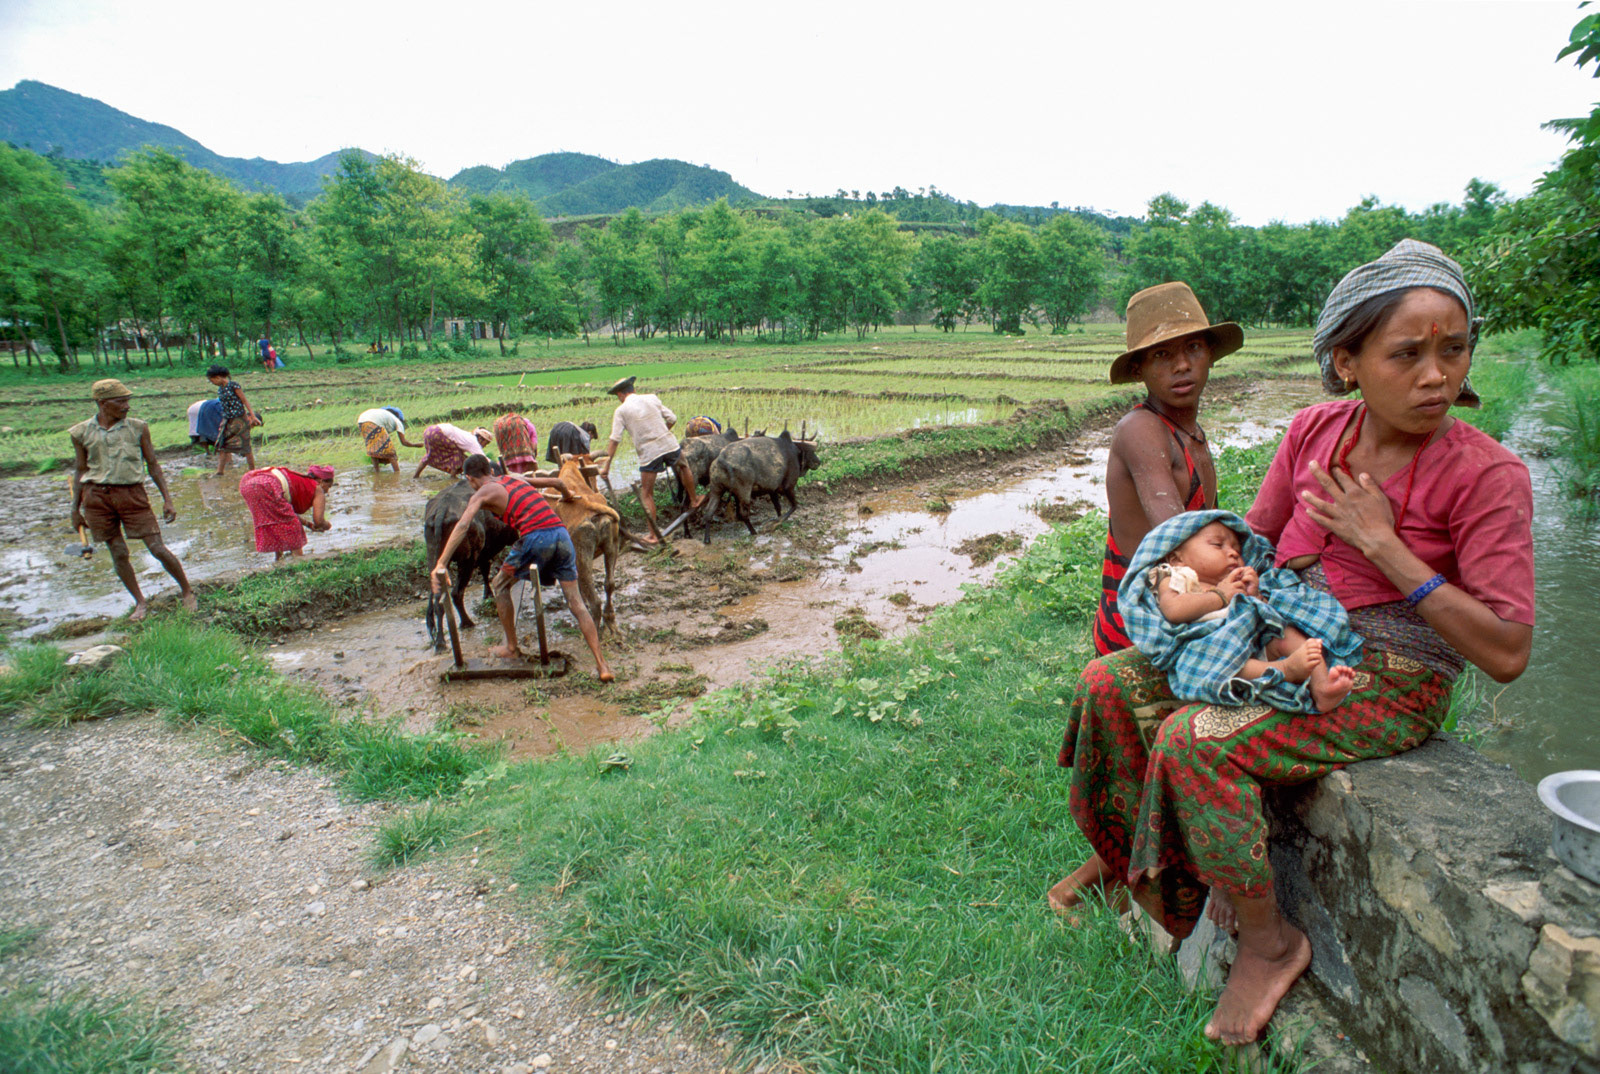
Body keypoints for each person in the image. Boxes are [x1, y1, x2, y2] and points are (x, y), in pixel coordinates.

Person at [1048, 240, 1534, 1046]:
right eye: (1407, 353)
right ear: (1346, 361)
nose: (1437, 375)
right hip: (1276, 644)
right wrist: (1211, 601)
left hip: (1387, 674)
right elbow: (1257, 541)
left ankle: (1270, 941)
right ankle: (1144, 872)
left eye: (1455, 350)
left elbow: (1507, 654)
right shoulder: (1314, 432)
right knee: (1108, 680)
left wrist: (1386, 549)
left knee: (1196, 741)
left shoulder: (1486, 475)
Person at [1093, 283, 1243, 656]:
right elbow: (1177, 537)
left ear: (1209, 353)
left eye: (1193, 347)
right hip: (1145, 618)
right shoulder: (1141, 429)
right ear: (1139, 368)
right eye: (1162, 354)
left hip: (1186, 599)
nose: (1181, 365)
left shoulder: (1190, 433)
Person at [1124, 511, 1359, 715]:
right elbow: (1174, 611)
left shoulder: (1232, 581)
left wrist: (1254, 596)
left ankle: (1322, 686)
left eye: (1237, 548)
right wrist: (1220, 596)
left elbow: (1258, 613)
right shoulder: (1176, 576)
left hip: (1253, 639)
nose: (1233, 553)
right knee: (1232, 664)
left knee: (1286, 632)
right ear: (1177, 557)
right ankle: (1286, 670)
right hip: (1212, 645)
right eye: (1218, 545)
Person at [429, 453, 614, 682]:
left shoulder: (483, 492)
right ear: (491, 470)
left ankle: (511, 646)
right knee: (576, 603)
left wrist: (441, 562)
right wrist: (566, 497)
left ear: (470, 478)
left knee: (499, 584)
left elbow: (463, 524)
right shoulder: (515, 478)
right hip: (561, 534)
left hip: (536, 537)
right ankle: (602, 665)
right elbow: (558, 483)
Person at [69, 378, 198, 621]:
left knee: (157, 548)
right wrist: (75, 508)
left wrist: (167, 499)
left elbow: (153, 465)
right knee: (118, 552)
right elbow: (80, 469)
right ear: (102, 403)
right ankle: (140, 602)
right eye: (121, 401)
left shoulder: (138, 427)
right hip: (96, 497)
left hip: (131, 494)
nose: (127, 406)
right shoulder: (80, 432)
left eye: (128, 400)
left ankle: (187, 591)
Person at [596, 376, 703, 543]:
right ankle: (695, 500)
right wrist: (662, 431)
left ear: (620, 395)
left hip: (648, 453)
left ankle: (653, 534)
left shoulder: (621, 410)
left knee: (646, 493)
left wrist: (606, 466)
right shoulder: (651, 398)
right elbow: (672, 419)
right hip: (669, 444)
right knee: (684, 466)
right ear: (634, 390)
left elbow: (615, 439)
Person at [238, 464, 335, 562]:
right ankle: (298, 560)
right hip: (268, 485)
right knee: (293, 527)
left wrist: (308, 525)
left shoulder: (299, 481)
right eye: (328, 487)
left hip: (248, 482)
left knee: (276, 521)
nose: (327, 491)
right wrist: (328, 526)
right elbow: (319, 521)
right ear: (321, 481)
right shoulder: (317, 489)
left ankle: (279, 561)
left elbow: (288, 513)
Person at [206, 364, 260, 476]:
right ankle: (219, 472)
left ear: (218, 377)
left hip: (239, 420)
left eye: (212, 381)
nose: (213, 383)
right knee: (222, 445)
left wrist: (253, 416)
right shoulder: (220, 389)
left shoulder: (234, 386)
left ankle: (252, 471)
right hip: (227, 420)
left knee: (245, 446)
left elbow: (244, 401)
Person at [413, 423, 492, 479]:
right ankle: (452, 477)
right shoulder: (473, 441)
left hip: (429, 430)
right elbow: (483, 459)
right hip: (438, 433)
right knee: (457, 454)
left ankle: (415, 476)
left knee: (429, 455)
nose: (485, 446)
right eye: (486, 443)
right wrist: (495, 467)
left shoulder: (467, 436)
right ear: (480, 438)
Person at [357, 406, 422, 473]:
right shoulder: (397, 421)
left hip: (361, 421)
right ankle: (397, 473)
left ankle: (377, 473)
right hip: (373, 422)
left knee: (373, 450)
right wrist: (415, 445)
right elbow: (404, 442)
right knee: (391, 453)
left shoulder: (383, 414)